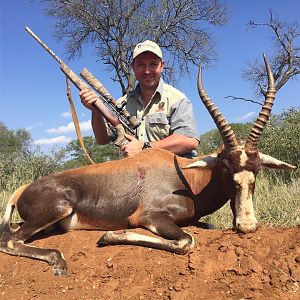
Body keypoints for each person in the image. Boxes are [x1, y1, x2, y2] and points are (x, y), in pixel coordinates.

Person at [80, 40, 200, 158]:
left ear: (162, 66)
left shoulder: (177, 99)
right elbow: (102, 139)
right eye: (141, 65)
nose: (147, 71)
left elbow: (189, 141)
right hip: (137, 172)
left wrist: (144, 148)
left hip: (173, 172)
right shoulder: (122, 103)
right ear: (133, 67)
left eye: (153, 64)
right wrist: (95, 110)